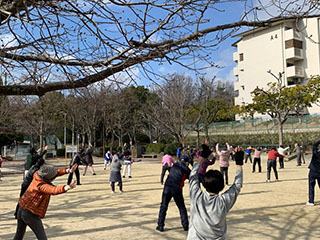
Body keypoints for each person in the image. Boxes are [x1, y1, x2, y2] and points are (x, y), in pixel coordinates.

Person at [13, 164, 78, 240]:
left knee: (19, 234)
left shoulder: (38, 174)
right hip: (30, 213)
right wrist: (67, 187)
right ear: (49, 179)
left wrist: (68, 171)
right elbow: (53, 190)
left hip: (21, 209)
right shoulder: (41, 185)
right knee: (42, 237)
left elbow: (55, 172)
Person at [187, 156, 243, 240]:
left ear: (204, 184)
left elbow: (193, 176)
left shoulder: (197, 197)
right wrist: (239, 165)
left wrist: (201, 159)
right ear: (221, 187)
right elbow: (237, 185)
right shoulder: (223, 202)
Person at [156, 156, 191, 232]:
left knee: (163, 206)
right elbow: (192, 177)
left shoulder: (175, 165)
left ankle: (160, 225)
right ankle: (185, 226)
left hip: (167, 186)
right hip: (177, 188)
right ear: (187, 162)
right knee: (181, 207)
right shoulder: (186, 169)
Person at [306, 140, 320, 206]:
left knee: (311, 186)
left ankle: (311, 201)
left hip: (313, 171)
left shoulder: (315, 153)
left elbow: (314, 145)